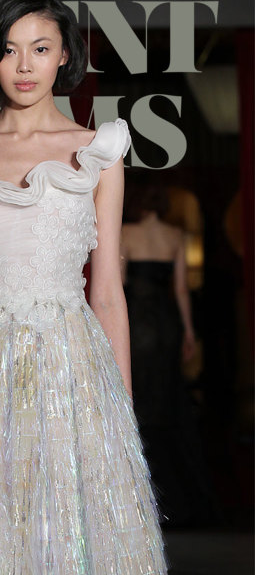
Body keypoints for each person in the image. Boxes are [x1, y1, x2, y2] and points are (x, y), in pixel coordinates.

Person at [0, 0, 169, 574]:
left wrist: (122, 411)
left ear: (64, 56)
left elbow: (107, 291)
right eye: (9, 49)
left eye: (40, 48)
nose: (24, 66)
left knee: (74, 534)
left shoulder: (96, 151)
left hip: (71, 366)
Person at [121, 174, 216, 527]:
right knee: (166, 401)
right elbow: (181, 290)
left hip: (138, 323)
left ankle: (146, 495)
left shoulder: (125, 233)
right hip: (167, 324)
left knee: (140, 400)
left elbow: (117, 286)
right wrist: (189, 331)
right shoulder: (176, 236)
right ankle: (181, 500)